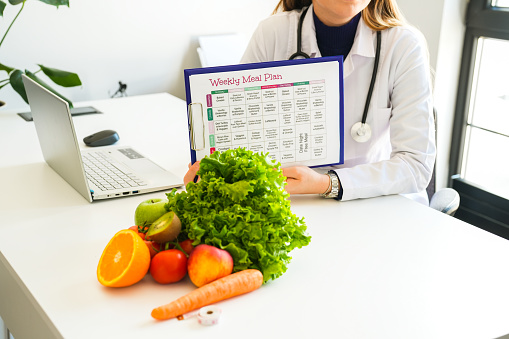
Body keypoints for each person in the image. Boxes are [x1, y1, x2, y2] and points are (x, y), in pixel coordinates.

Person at [185, 0, 435, 205]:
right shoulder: (273, 33)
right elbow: (238, 134)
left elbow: (415, 166)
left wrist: (326, 183)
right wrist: (212, 172)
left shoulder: (403, 45)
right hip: (293, 203)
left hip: (376, 204)